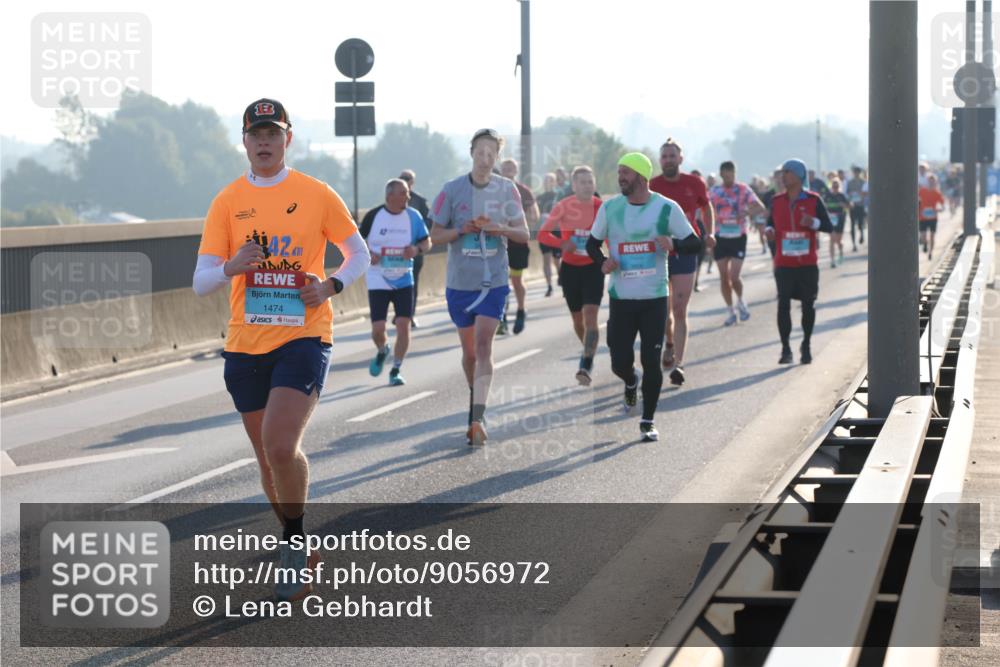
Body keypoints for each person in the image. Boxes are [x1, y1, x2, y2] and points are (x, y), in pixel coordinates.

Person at [193, 98, 370, 600]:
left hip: (305, 334)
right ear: (245, 142)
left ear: (288, 139)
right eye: (256, 134)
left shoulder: (315, 193)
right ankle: (296, 536)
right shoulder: (227, 201)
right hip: (246, 345)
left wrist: (331, 285)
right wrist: (233, 266)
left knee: (279, 444)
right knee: (267, 461)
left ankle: (292, 543)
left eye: (273, 133)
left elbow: (359, 252)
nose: (265, 142)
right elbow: (201, 281)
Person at [586, 153, 702, 441]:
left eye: (625, 172)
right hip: (621, 298)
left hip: (654, 298)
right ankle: (629, 381)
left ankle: (647, 420)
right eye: (619, 172)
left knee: (652, 361)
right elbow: (591, 244)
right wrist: (603, 262)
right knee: (619, 360)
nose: (620, 177)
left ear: (640, 176)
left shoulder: (665, 208)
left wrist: (673, 242)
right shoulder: (611, 208)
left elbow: (694, 243)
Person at [429, 129, 530, 446]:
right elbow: (436, 236)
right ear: (471, 152)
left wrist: (497, 227)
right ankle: (476, 394)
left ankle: (477, 416)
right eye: (480, 152)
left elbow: (524, 234)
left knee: (485, 346)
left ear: (496, 158)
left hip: (494, 281)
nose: (485, 158)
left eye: (491, 153)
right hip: (461, 283)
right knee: (470, 353)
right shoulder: (452, 190)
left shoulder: (506, 189)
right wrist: (463, 229)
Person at [648, 138, 715, 386]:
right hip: (659, 253)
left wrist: (710, 232)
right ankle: (669, 342)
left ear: (680, 158)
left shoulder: (694, 183)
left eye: (672, 156)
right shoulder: (652, 185)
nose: (668, 160)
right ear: (660, 160)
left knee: (679, 309)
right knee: (663, 311)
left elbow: (707, 209)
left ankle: (679, 364)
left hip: (686, 249)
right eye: (664, 156)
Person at [359, 179, 431, 386]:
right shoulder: (374, 216)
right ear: (390, 196)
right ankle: (383, 350)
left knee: (403, 325)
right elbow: (356, 241)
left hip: (403, 278)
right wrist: (369, 254)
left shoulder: (413, 216)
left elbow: (427, 242)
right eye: (404, 193)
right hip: (378, 278)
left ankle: (396, 369)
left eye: (408, 193)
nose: (408, 197)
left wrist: (416, 250)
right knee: (378, 329)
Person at [537, 165, 605, 385]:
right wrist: (562, 243)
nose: (586, 185)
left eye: (590, 182)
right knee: (578, 321)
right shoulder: (564, 206)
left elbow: (612, 235)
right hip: (570, 269)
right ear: (573, 185)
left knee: (590, 314)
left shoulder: (601, 207)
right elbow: (543, 234)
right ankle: (588, 349)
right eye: (582, 182)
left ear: (594, 184)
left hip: (593, 267)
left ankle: (586, 362)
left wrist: (612, 257)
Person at [765, 158, 834, 365]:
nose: (782, 176)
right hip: (784, 263)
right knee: (783, 304)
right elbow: (770, 224)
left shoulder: (813, 200)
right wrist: (769, 231)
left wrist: (812, 222)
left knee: (808, 305)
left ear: (798, 175)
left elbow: (829, 226)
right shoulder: (776, 201)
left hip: (807, 264)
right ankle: (785, 348)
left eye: (786, 172)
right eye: (782, 173)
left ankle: (806, 344)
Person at [708, 161, 766, 326]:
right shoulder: (715, 191)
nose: (728, 179)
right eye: (725, 176)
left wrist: (747, 212)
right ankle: (730, 311)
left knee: (734, 276)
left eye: (731, 175)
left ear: (735, 173)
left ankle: (740, 301)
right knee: (723, 278)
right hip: (720, 236)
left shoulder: (743, 189)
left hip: (738, 236)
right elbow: (704, 209)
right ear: (721, 175)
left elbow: (760, 207)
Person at [499, 158, 540, 335]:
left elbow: (535, 216)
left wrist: (520, 223)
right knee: (499, 281)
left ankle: (521, 310)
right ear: (501, 170)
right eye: (505, 167)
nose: (508, 170)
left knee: (516, 280)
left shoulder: (524, 191)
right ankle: (501, 317)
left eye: (511, 167)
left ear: (516, 171)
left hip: (518, 243)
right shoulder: (494, 190)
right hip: (499, 242)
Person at [398, 169, 430, 327]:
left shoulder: (420, 202)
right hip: (395, 253)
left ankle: (410, 314)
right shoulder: (391, 199)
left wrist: (419, 245)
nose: (404, 180)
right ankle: (400, 313)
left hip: (415, 250)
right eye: (402, 177)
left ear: (413, 182)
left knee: (412, 283)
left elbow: (429, 225)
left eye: (407, 178)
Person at [536, 172, 562, 297]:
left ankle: (561, 277)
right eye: (546, 180)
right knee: (546, 259)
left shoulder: (559, 196)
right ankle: (549, 286)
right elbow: (535, 215)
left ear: (555, 182)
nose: (548, 182)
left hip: (557, 231)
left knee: (557, 260)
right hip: (544, 232)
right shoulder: (539, 198)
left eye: (551, 180)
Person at [824, 177, 851, 267]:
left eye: (837, 186)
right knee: (832, 239)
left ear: (839, 186)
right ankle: (832, 261)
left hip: (840, 219)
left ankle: (840, 251)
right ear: (831, 186)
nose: (835, 188)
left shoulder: (842, 195)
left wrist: (844, 205)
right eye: (833, 186)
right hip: (831, 219)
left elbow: (850, 206)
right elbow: (823, 206)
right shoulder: (827, 196)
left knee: (838, 240)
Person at [918, 173, 946, 260]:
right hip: (922, 217)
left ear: (935, 183)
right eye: (930, 181)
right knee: (923, 236)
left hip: (933, 217)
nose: (931, 183)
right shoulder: (922, 191)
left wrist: (940, 209)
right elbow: (916, 200)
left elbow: (942, 205)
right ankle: (925, 243)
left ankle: (930, 253)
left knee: (932, 236)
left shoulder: (937, 193)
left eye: (933, 182)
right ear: (927, 182)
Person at [845, 166, 867, 250]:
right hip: (852, 205)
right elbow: (846, 193)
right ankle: (854, 244)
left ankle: (861, 234)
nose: (856, 174)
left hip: (860, 205)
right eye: (855, 172)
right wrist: (850, 195)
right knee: (852, 224)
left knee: (861, 224)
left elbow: (866, 193)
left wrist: (861, 194)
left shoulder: (863, 182)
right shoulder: (849, 182)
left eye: (857, 172)